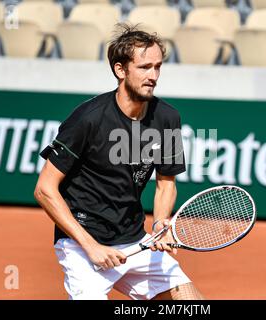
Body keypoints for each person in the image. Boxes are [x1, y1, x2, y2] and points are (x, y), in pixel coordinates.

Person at [34, 23, 204, 300]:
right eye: (145, 67)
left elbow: (165, 183)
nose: (153, 76)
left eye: (158, 67)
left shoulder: (167, 118)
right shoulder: (88, 118)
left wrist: (161, 224)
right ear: (120, 70)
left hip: (136, 240)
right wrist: (91, 247)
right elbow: (44, 189)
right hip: (83, 247)